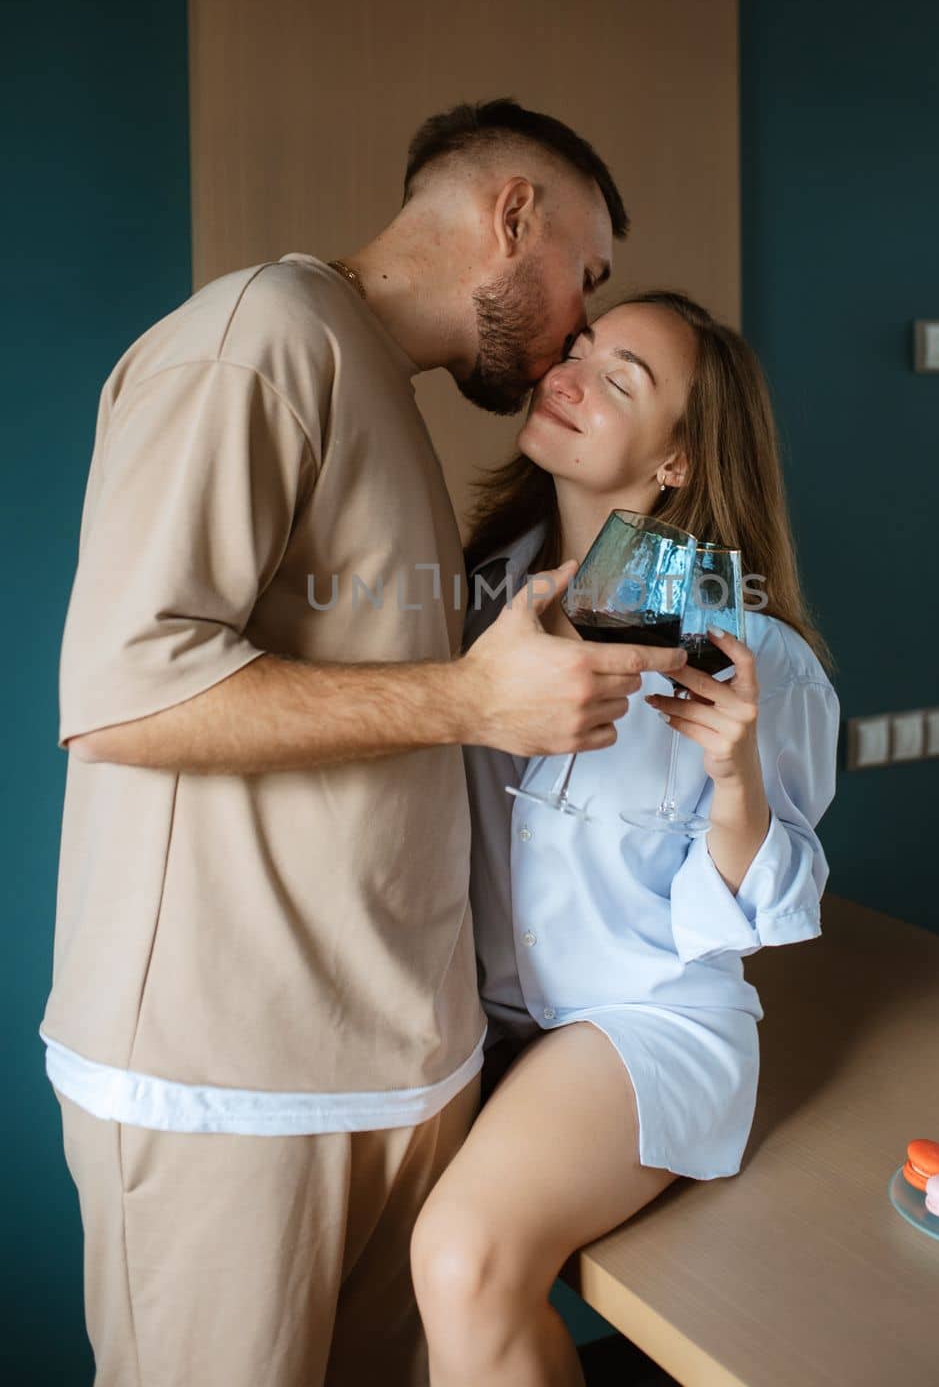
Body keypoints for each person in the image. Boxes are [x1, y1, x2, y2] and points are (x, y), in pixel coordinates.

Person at [42, 99, 690, 1387]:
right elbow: (120, 697)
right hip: (227, 1077)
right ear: (515, 218)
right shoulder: (259, 341)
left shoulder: (380, 391)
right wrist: (471, 701)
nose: (577, 323)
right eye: (587, 274)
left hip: (396, 1071)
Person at [409, 291, 841, 1387]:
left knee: (462, 1260)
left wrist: (735, 777)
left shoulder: (749, 651)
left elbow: (753, 919)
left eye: (621, 380)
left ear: (678, 461)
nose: (570, 374)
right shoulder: (461, 600)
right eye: (582, 351)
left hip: (644, 1019)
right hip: (478, 1016)